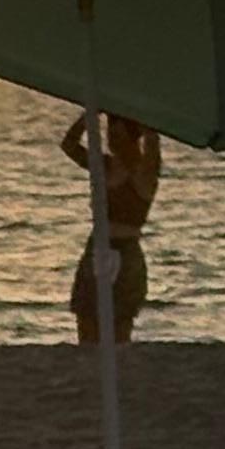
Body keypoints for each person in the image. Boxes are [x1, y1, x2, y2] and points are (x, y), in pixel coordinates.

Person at [62, 110, 162, 341]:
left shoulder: (144, 172)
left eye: (118, 134)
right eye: (110, 133)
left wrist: (145, 120)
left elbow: (153, 144)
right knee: (87, 317)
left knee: (120, 324)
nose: (112, 140)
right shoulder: (103, 166)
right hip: (97, 247)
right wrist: (89, 116)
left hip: (125, 252)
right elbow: (69, 145)